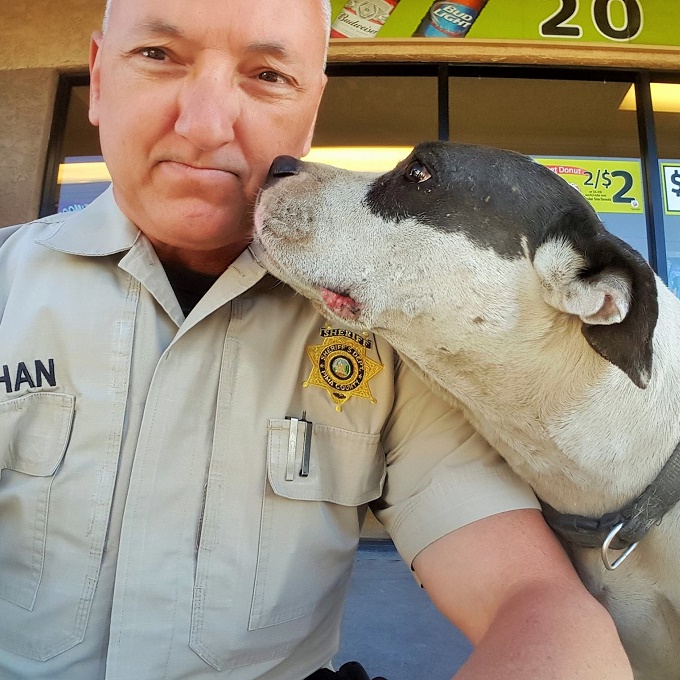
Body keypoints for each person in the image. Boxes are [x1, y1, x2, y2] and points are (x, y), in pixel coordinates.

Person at [0, 0, 633, 679]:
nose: (207, 124)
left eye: (268, 74)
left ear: (311, 112)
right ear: (97, 80)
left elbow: (537, 605)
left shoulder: (387, 342)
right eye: (159, 56)